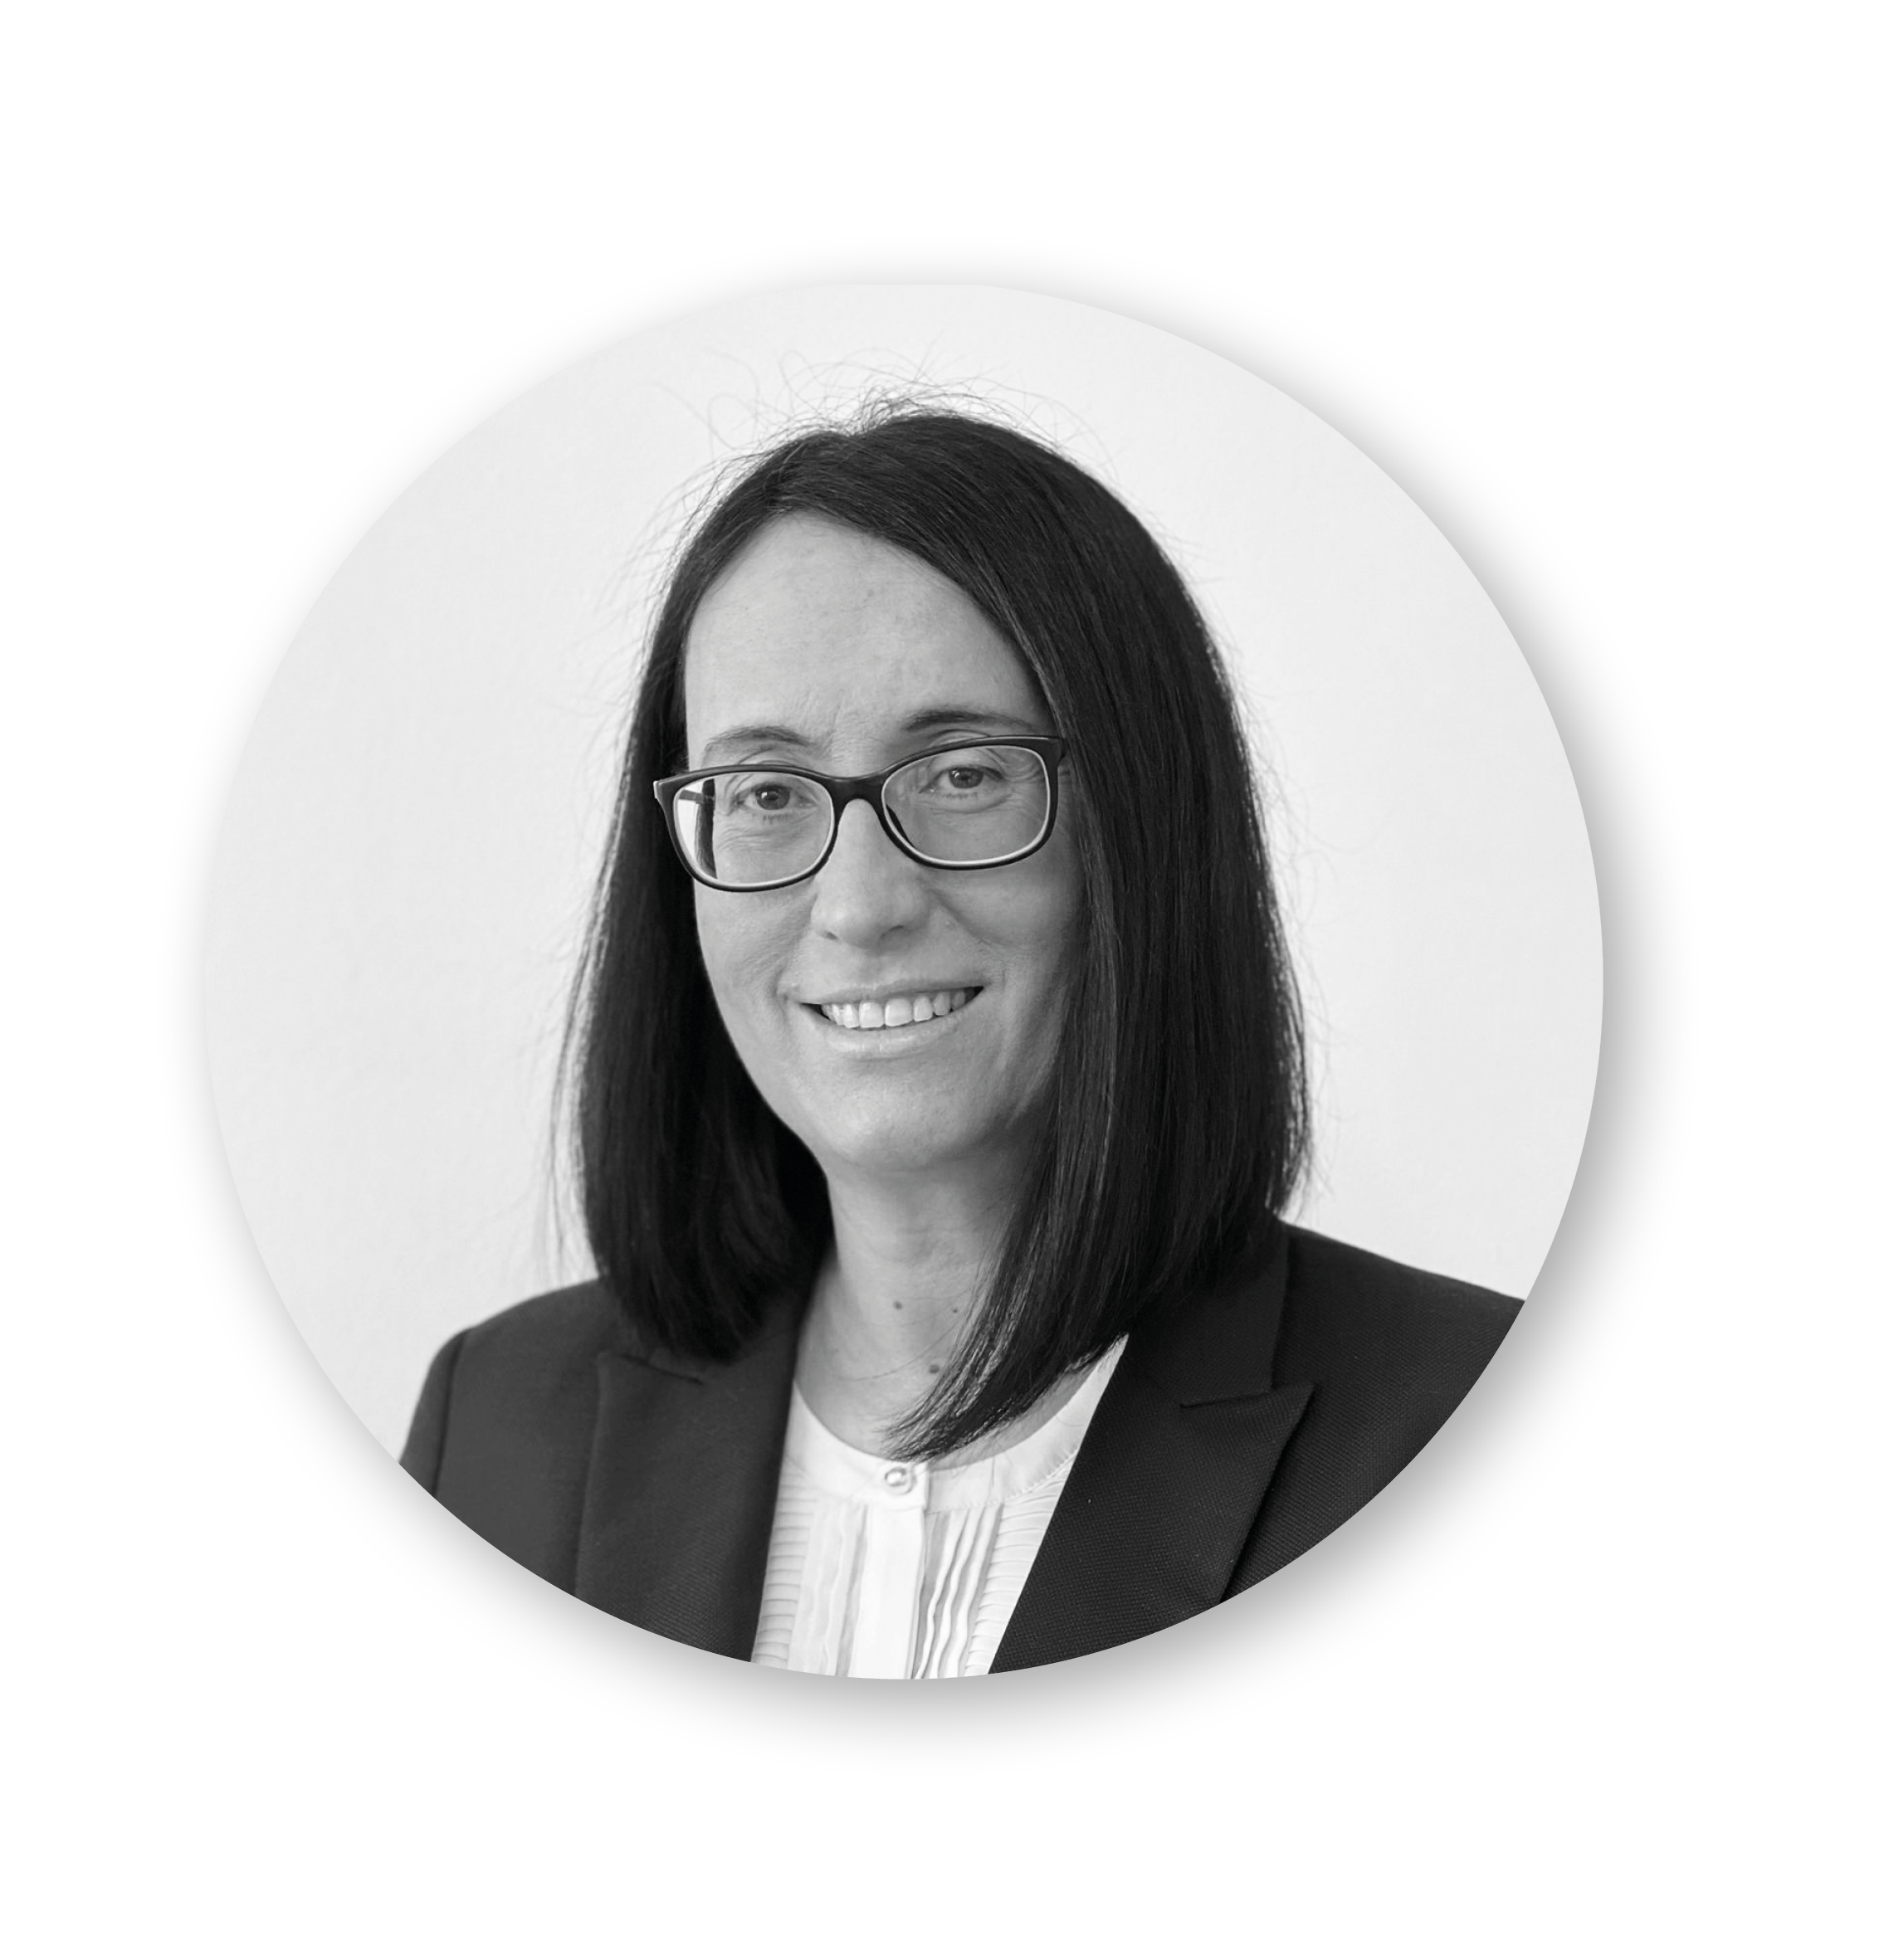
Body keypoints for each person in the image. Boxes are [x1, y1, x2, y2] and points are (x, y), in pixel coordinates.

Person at [402, 406, 1517, 1677]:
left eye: (965, 773)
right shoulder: (493, 1426)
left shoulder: (1469, 1427)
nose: (857, 904)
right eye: (763, 791)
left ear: (1144, 830)